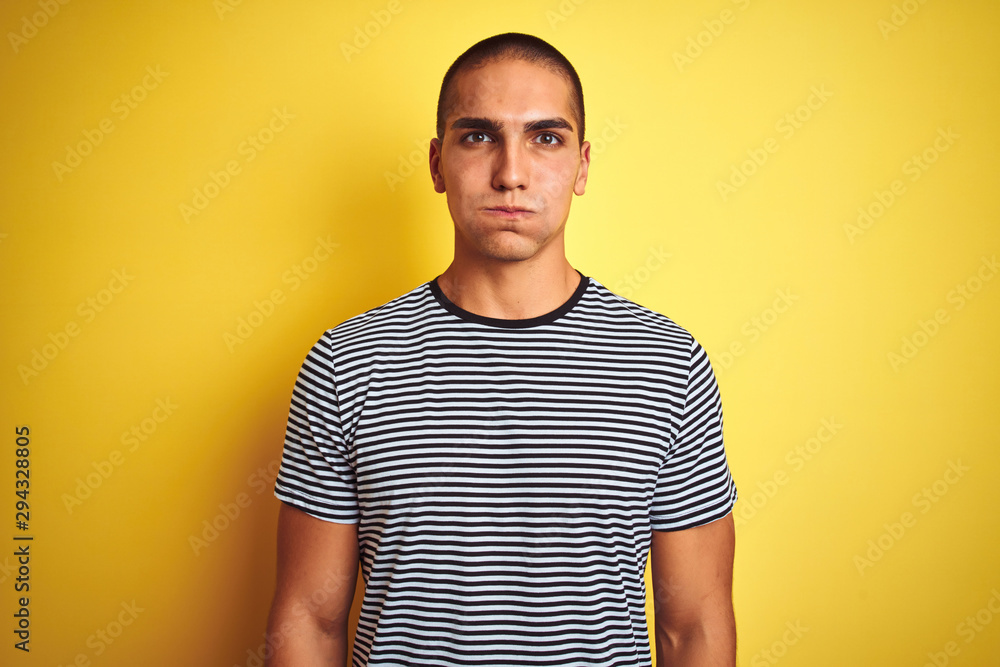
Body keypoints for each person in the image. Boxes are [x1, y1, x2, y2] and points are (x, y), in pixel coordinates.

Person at [265, 32, 738, 667]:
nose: (511, 173)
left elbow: (695, 626)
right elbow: (309, 620)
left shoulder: (668, 365)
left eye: (545, 138)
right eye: (479, 136)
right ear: (437, 163)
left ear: (583, 166)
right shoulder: (347, 363)